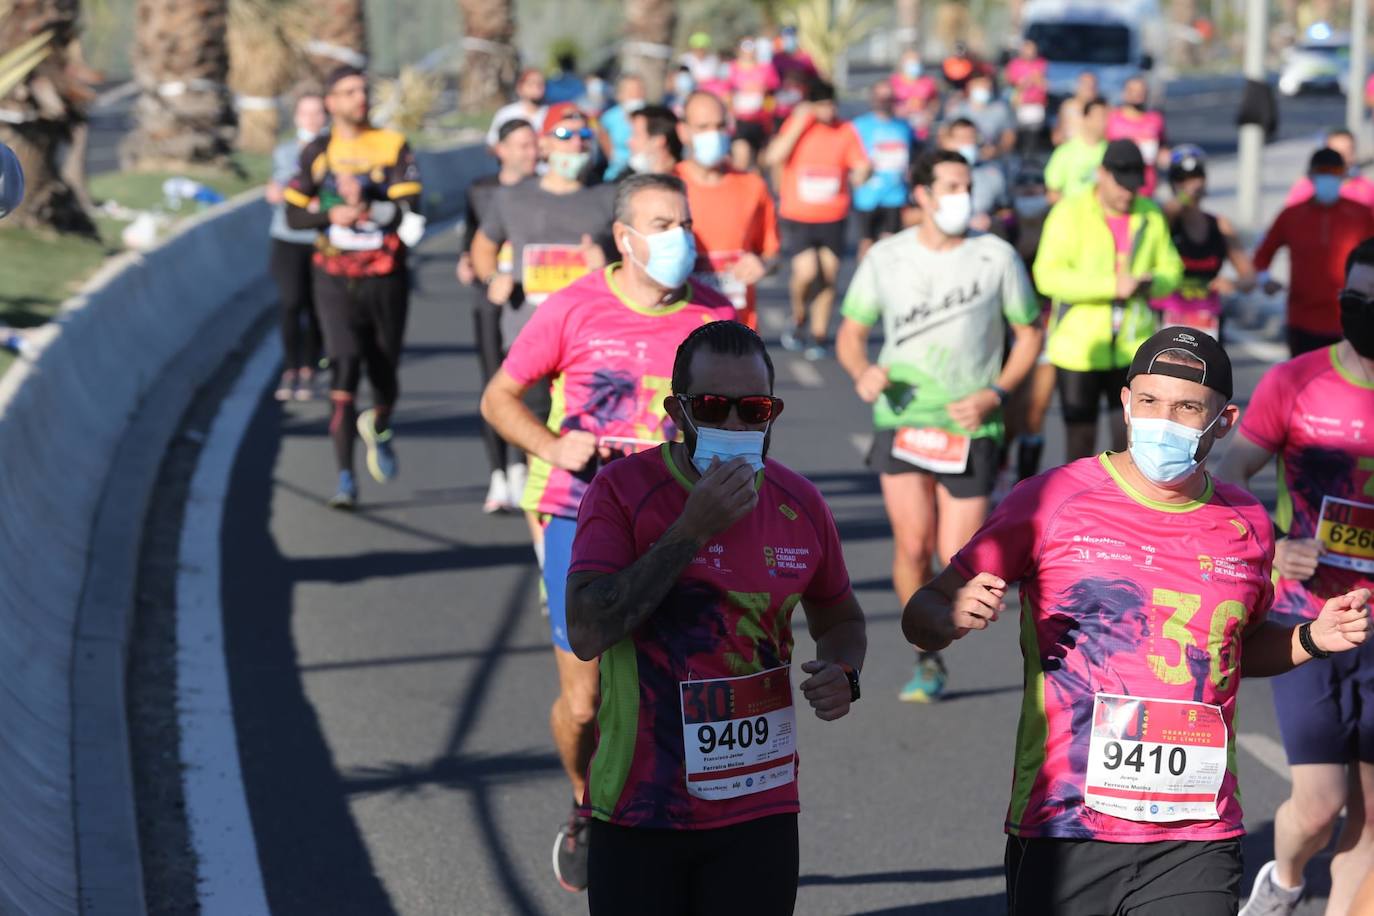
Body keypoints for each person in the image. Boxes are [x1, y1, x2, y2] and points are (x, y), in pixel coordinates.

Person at [904, 327, 1373, 916]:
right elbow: (920, 613)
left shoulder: (1248, 522)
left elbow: (1230, 653)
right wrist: (946, 617)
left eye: (1185, 408)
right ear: (1125, 403)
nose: (1162, 421)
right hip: (1066, 823)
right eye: (1148, 402)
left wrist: (1310, 639)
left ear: (1222, 422)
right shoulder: (1050, 499)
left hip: (1197, 829)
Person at [479, 174, 737, 894]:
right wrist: (552, 445)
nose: (679, 238)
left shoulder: (716, 318)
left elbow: (750, 423)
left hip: (684, 520)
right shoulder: (575, 306)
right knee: (587, 700)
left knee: (679, 687)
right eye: (662, 224)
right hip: (579, 509)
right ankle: (586, 800)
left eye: (684, 223)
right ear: (624, 238)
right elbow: (499, 397)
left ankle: (683, 828)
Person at [567, 320, 867, 915]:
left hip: (760, 803)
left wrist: (843, 672)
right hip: (641, 804)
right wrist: (690, 530)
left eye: (753, 409)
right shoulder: (623, 491)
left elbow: (841, 618)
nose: (734, 426)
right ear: (677, 411)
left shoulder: (800, 502)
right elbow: (586, 631)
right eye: (712, 407)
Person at [838, 148, 1043, 703]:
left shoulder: (995, 256)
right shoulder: (887, 256)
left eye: (966, 185)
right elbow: (851, 334)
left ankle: (939, 630)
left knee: (959, 558)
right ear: (922, 195)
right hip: (903, 420)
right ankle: (925, 657)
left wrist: (994, 393)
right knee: (913, 544)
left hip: (969, 422)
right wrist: (863, 372)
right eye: (949, 186)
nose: (961, 196)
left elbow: (1029, 333)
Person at [1221, 239, 1374, 916]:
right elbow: (1229, 478)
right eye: (1357, 299)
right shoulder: (1297, 381)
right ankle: (1284, 880)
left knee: (1370, 815)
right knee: (1320, 805)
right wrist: (1277, 545)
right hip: (1306, 617)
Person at [284, 65, 422, 509]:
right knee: (343, 363)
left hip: (386, 277)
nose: (359, 98)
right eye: (348, 92)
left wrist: (369, 204)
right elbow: (293, 215)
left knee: (384, 373)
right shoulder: (318, 151)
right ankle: (345, 478)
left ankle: (379, 422)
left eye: (363, 90)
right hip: (333, 276)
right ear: (330, 101)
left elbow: (410, 211)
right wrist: (330, 215)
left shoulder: (392, 145)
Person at [1033, 139, 1182, 462]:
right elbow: (1047, 276)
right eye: (1120, 184)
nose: (1127, 193)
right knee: (1080, 437)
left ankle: (1117, 509)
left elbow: (1172, 269)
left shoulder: (1150, 213)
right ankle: (1075, 507)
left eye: (1134, 186)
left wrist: (1151, 284)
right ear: (1101, 173)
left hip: (1133, 345)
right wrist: (1111, 286)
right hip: (1079, 348)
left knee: (1127, 438)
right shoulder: (1069, 212)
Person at [457, 118, 539, 514]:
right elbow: (472, 241)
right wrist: (478, 269)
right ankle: (497, 475)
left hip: (531, 301)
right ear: (500, 150)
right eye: (521, 145)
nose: (530, 152)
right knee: (493, 383)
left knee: (526, 387)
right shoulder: (481, 190)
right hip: (491, 300)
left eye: (533, 144)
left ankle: (522, 466)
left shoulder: (545, 191)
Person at [763, 79, 870, 360]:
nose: (828, 110)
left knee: (829, 275)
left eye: (831, 104)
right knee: (807, 272)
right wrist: (798, 123)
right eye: (821, 104)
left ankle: (819, 334)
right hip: (798, 214)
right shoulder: (798, 127)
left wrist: (863, 172)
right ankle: (799, 315)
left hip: (834, 215)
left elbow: (860, 162)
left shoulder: (845, 130)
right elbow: (773, 157)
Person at [1254, 147, 1374, 357]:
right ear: (1310, 175)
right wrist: (1265, 280)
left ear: (1343, 175)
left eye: (1335, 172)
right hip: (1303, 320)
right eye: (1322, 172)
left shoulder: (1361, 214)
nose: (1328, 177)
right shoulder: (1291, 215)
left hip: (1351, 320)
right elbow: (1262, 256)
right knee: (1305, 385)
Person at [675, 91, 780, 331]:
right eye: (703, 127)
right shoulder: (668, 186)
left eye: (720, 126)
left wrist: (761, 264)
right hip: (680, 328)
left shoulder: (753, 186)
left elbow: (772, 254)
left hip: (739, 328)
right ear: (684, 132)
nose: (713, 134)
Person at [1159, 145, 1255, 342]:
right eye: (1182, 179)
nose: (1191, 185)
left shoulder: (1220, 225)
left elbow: (1249, 277)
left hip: (1207, 323)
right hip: (1169, 319)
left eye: (1196, 177)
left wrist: (1232, 283)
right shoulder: (1166, 222)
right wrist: (1185, 196)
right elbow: (1167, 211)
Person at [266, 91, 327, 402]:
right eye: (306, 113)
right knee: (291, 303)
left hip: (321, 238)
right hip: (288, 238)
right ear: (296, 117)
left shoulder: (334, 150)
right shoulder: (285, 151)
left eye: (318, 113)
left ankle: (309, 369)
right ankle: (290, 367)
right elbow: (276, 190)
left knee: (318, 306)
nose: (312, 120)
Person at [851, 80, 916, 260]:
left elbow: (912, 155)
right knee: (867, 243)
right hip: (867, 195)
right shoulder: (859, 126)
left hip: (895, 194)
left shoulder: (904, 127)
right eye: (880, 97)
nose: (884, 101)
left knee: (891, 243)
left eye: (888, 97)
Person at [938, 118, 1011, 235]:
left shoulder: (993, 174)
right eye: (961, 139)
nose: (968, 143)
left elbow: (1007, 214)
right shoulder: (934, 174)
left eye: (971, 138)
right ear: (947, 142)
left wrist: (993, 221)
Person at [1106, 75, 1168, 198]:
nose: (1137, 95)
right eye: (1132, 91)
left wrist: (1164, 157)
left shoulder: (1155, 119)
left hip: (1147, 187)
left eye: (1141, 91)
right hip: (1119, 188)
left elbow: (1163, 147)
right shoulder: (1112, 119)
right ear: (1124, 93)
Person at [1284, 127, 1374, 208]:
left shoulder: (1366, 188)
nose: (1342, 157)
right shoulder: (1305, 188)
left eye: (1348, 151)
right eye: (1336, 152)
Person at [727, 37, 779, 171]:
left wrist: (769, 110)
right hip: (740, 120)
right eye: (745, 48)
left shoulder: (766, 68)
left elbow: (772, 93)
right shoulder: (732, 68)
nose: (748, 52)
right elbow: (727, 93)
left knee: (760, 163)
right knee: (741, 157)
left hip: (761, 120)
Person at [1044, 97, 1107, 204]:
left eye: (1105, 117)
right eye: (1098, 117)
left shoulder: (1112, 151)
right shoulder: (1065, 151)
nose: (1103, 122)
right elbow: (1052, 194)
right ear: (1085, 118)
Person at [944, 70, 1016, 162]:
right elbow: (944, 135)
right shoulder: (957, 109)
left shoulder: (1001, 109)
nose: (983, 88)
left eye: (986, 85)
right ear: (970, 86)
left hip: (991, 163)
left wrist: (996, 151)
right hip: (959, 160)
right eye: (979, 85)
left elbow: (1009, 138)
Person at [1005, 38, 1049, 154]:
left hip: (1036, 104)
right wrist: (1029, 81)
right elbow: (1014, 83)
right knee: (1019, 132)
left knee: (1033, 134)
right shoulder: (1014, 64)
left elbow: (1044, 83)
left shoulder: (1042, 63)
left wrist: (1034, 80)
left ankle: (1030, 155)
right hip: (1020, 104)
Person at [599, 74, 647, 180]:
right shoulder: (609, 118)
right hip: (617, 175)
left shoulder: (653, 115)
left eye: (638, 90)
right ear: (619, 95)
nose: (635, 95)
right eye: (630, 91)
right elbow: (605, 143)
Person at [486, 68, 548, 149]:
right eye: (531, 83)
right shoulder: (506, 114)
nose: (536, 87)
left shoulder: (552, 112)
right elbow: (493, 143)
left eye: (540, 84)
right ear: (520, 88)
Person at [890, 48, 941, 144]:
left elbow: (934, 101)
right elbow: (888, 103)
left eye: (916, 60)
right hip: (900, 128)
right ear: (902, 62)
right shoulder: (893, 82)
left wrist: (930, 114)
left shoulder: (928, 82)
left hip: (922, 130)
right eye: (910, 60)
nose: (913, 63)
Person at [770, 26, 817, 126]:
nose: (789, 40)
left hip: (800, 108)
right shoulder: (777, 59)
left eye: (791, 37)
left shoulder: (805, 58)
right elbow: (771, 82)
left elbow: (813, 79)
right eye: (786, 37)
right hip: (781, 110)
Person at [626, 104, 682, 176]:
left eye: (636, 135)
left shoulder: (687, 180)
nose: (629, 142)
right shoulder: (627, 178)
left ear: (659, 141)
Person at [1053, 70, 1101, 145]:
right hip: (1071, 150)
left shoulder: (1101, 109)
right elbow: (1057, 136)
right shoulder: (1068, 106)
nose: (1089, 88)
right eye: (1085, 84)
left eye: (1092, 85)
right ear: (1078, 85)